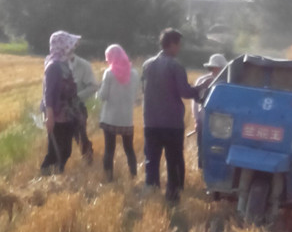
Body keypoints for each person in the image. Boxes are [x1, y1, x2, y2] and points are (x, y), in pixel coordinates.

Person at [141, 28, 201, 202]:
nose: (179, 48)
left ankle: (151, 191)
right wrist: (199, 89)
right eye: (179, 45)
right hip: (171, 122)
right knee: (174, 160)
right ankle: (173, 195)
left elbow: (144, 89)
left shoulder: (147, 64)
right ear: (172, 44)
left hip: (150, 120)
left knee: (152, 159)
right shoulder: (175, 66)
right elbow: (184, 92)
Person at [40, 31, 83, 175]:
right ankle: (45, 178)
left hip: (68, 114)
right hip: (57, 116)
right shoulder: (53, 66)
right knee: (54, 152)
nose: (71, 49)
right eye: (69, 46)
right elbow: (48, 93)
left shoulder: (64, 64)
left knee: (66, 151)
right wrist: (50, 116)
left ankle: (57, 176)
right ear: (62, 47)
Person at [98, 44, 141, 181]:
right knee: (129, 149)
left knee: (109, 150)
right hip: (126, 118)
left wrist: (97, 92)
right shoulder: (134, 74)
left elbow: (103, 95)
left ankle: (108, 178)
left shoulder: (109, 73)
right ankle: (133, 176)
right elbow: (137, 97)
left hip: (110, 118)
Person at [192, 52, 227, 168]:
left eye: (218, 67)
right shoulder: (202, 80)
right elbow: (195, 103)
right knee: (202, 148)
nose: (215, 70)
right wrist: (197, 120)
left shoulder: (227, 82)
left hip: (221, 124)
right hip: (203, 120)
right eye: (214, 67)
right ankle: (201, 170)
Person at [68, 49, 99, 163]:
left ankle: (88, 160)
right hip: (59, 109)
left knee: (80, 137)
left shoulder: (84, 65)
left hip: (78, 108)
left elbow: (93, 86)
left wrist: (76, 97)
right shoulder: (54, 64)